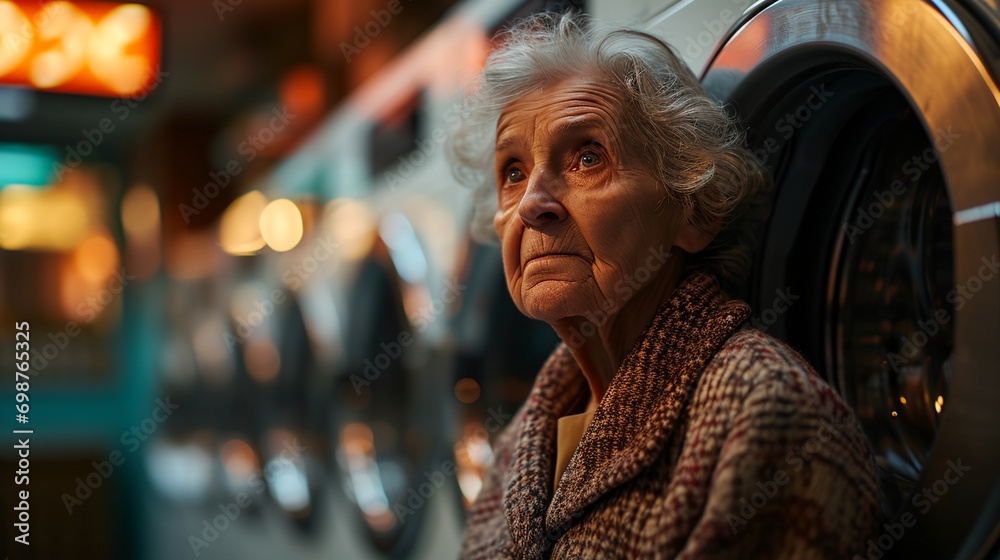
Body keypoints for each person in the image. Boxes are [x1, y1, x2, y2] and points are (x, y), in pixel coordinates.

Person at [449, 12, 880, 560]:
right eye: (513, 171)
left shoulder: (765, 415)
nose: (532, 204)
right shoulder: (520, 442)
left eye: (587, 157)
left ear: (693, 211)